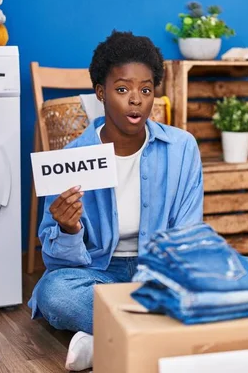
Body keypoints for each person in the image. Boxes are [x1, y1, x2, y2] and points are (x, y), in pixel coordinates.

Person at [28, 30, 204, 371]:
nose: (135, 99)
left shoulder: (182, 148)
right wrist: (67, 228)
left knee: (231, 277)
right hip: (97, 275)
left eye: (146, 89)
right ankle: (158, 336)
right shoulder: (72, 157)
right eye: (122, 89)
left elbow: (187, 234)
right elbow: (56, 263)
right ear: (101, 93)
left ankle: (107, 341)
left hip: (158, 272)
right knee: (55, 293)